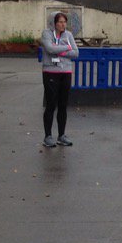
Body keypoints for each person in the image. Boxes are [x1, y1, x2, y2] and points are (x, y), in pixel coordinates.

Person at [40, 12, 79, 148]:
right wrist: (66, 48)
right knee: (51, 104)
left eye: (64, 22)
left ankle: (61, 135)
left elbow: (76, 52)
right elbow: (50, 49)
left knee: (63, 105)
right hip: (51, 72)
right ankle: (48, 136)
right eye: (60, 22)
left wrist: (60, 51)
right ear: (53, 23)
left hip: (66, 72)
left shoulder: (68, 35)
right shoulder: (46, 34)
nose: (63, 25)